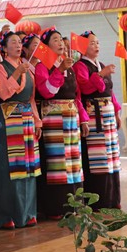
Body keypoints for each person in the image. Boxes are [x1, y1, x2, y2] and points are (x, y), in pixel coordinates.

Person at [0, 31, 42, 229]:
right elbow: (3, 93)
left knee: (29, 167)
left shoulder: (27, 68)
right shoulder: (0, 68)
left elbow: (31, 99)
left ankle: (28, 213)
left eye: (20, 42)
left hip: (27, 119)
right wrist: (18, 73)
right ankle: (7, 215)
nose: (18, 45)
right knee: (9, 167)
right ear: (4, 48)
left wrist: (37, 121)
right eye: (13, 42)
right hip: (9, 119)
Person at [34, 28, 87, 219]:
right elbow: (47, 91)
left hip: (71, 116)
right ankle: (58, 207)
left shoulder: (68, 65)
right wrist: (60, 70)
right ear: (46, 46)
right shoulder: (42, 66)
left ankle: (76, 204)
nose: (60, 43)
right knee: (58, 162)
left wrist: (83, 119)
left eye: (60, 40)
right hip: (54, 117)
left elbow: (75, 95)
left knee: (73, 160)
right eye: (55, 40)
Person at [73, 31, 122, 210]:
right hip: (94, 115)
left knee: (111, 156)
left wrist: (116, 112)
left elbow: (110, 92)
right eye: (92, 43)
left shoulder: (100, 64)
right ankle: (100, 200)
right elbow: (85, 88)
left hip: (107, 114)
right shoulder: (80, 66)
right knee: (98, 157)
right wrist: (101, 74)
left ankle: (113, 198)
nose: (96, 46)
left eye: (97, 42)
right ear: (82, 47)